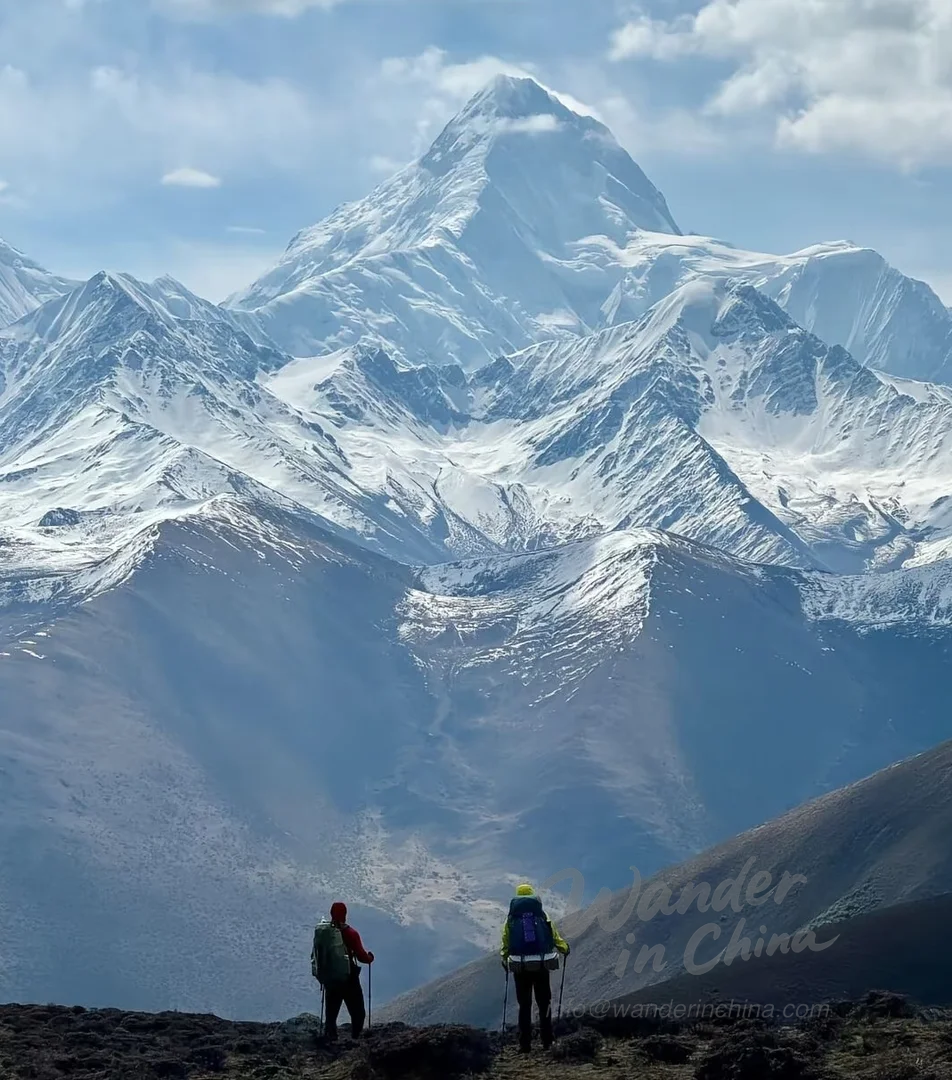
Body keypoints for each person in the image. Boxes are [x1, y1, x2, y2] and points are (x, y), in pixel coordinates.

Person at [500, 882, 570, 1053]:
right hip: (541, 965)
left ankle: (525, 1045)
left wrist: (504, 959)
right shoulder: (542, 916)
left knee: (524, 1005)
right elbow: (554, 937)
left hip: (520, 967)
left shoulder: (511, 919)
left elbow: (506, 943)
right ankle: (547, 1041)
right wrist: (565, 949)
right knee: (544, 1004)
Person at [324, 901, 374, 1041]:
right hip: (349, 978)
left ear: (331, 914)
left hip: (331, 977)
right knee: (358, 1012)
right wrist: (370, 958)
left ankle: (330, 1038)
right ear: (345, 914)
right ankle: (356, 1039)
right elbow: (361, 956)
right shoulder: (351, 933)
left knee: (331, 1012)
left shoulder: (325, 933)